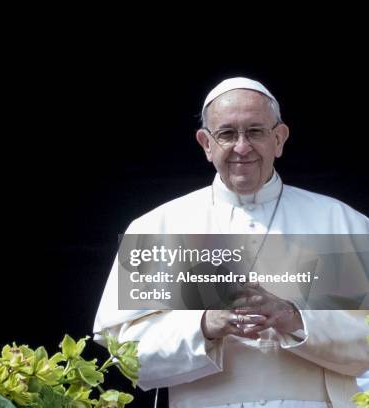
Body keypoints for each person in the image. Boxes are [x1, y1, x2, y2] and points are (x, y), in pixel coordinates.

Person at [93, 77, 369, 408]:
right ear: (206, 144)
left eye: (255, 131)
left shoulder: (338, 222)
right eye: (226, 134)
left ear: (279, 139)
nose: (242, 147)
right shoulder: (160, 227)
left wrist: (294, 319)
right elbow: (125, 354)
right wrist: (206, 324)